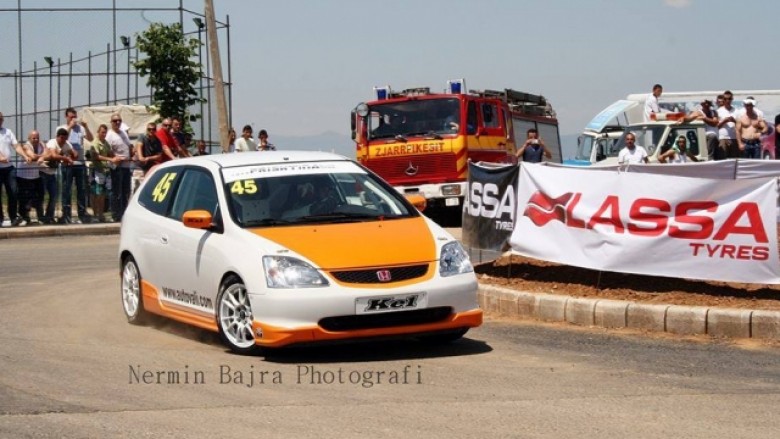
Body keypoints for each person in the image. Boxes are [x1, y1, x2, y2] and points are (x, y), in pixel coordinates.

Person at [57, 107, 93, 224]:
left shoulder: (80, 129)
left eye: (75, 117)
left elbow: (91, 138)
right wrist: (70, 127)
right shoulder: (62, 128)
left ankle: (82, 213)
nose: (73, 119)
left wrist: (86, 127)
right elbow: (60, 140)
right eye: (71, 117)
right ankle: (66, 214)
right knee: (66, 189)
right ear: (66, 117)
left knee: (81, 189)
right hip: (67, 163)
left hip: (80, 163)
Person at [0, 111, 29, 227]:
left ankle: (13, 217)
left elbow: (16, 145)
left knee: (13, 191)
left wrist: (24, 155)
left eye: (1, 118)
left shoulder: (7, 132)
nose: (0, 120)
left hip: (9, 168)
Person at [45, 128, 77, 223]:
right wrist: (66, 158)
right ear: (57, 137)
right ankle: (42, 217)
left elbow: (75, 154)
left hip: (52, 172)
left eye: (65, 138)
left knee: (54, 195)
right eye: (62, 138)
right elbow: (54, 155)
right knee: (41, 196)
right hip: (43, 171)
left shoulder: (66, 143)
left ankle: (49, 217)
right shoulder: (52, 142)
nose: (63, 140)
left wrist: (70, 156)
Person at [106, 113, 133, 222]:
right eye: (115, 121)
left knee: (126, 190)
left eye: (119, 120)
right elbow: (108, 150)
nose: (117, 122)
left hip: (127, 166)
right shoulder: (110, 135)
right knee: (117, 191)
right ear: (111, 122)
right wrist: (115, 158)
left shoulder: (123, 133)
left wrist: (132, 152)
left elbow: (129, 146)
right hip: (117, 166)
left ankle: (124, 213)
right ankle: (116, 214)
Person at [16, 130, 45, 225]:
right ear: (29, 139)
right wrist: (43, 157)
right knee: (24, 198)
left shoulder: (41, 145)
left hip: (35, 176)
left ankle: (41, 216)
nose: (36, 139)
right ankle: (24, 217)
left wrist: (43, 156)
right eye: (34, 138)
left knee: (40, 195)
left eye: (37, 137)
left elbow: (48, 152)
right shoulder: (25, 146)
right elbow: (32, 156)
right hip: (24, 176)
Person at [88, 124, 113, 222]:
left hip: (104, 171)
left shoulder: (106, 142)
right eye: (102, 132)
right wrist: (110, 158)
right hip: (96, 170)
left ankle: (101, 214)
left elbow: (110, 152)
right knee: (95, 194)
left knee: (102, 194)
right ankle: (95, 214)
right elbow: (96, 156)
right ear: (98, 132)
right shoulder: (95, 143)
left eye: (105, 132)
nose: (104, 134)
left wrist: (116, 158)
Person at [717, 90, 739, 158]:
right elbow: (716, 126)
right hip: (723, 138)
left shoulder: (737, 111)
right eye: (725, 99)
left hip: (734, 138)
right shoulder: (718, 111)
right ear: (723, 99)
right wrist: (724, 121)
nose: (727, 100)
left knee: (734, 159)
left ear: (732, 99)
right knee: (723, 159)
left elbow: (740, 125)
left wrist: (734, 120)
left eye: (729, 99)